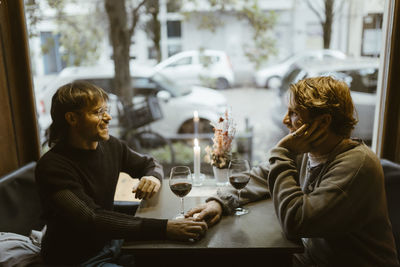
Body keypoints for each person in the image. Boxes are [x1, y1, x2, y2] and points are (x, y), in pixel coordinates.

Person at [186, 76, 399, 266]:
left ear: (323, 122)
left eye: (294, 113)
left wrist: (282, 151)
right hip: (311, 259)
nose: (285, 120)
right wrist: (219, 201)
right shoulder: (307, 152)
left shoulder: (357, 166)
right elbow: (260, 175)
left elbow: (296, 222)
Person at [35, 81, 207, 266]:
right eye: (97, 112)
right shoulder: (52, 167)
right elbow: (92, 218)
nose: (108, 117)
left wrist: (152, 177)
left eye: (106, 110)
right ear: (72, 118)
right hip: (76, 258)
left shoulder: (110, 146)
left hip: (112, 242)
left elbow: (150, 163)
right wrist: (165, 228)